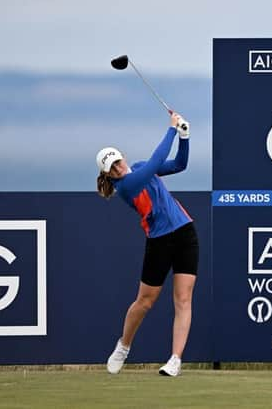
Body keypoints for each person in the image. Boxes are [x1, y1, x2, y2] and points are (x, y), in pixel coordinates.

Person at [95, 112, 198, 377]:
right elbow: (156, 162)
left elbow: (179, 165)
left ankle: (175, 359)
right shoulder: (126, 186)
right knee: (145, 301)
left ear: (122, 157)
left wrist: (184, 137)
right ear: (108, 175)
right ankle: (124, 346)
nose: (118, 168)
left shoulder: (138, 167)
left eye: (118, 161)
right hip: (159, 241)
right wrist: (172, 129)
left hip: (185, 232)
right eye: (112, 168)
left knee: (183, 298)